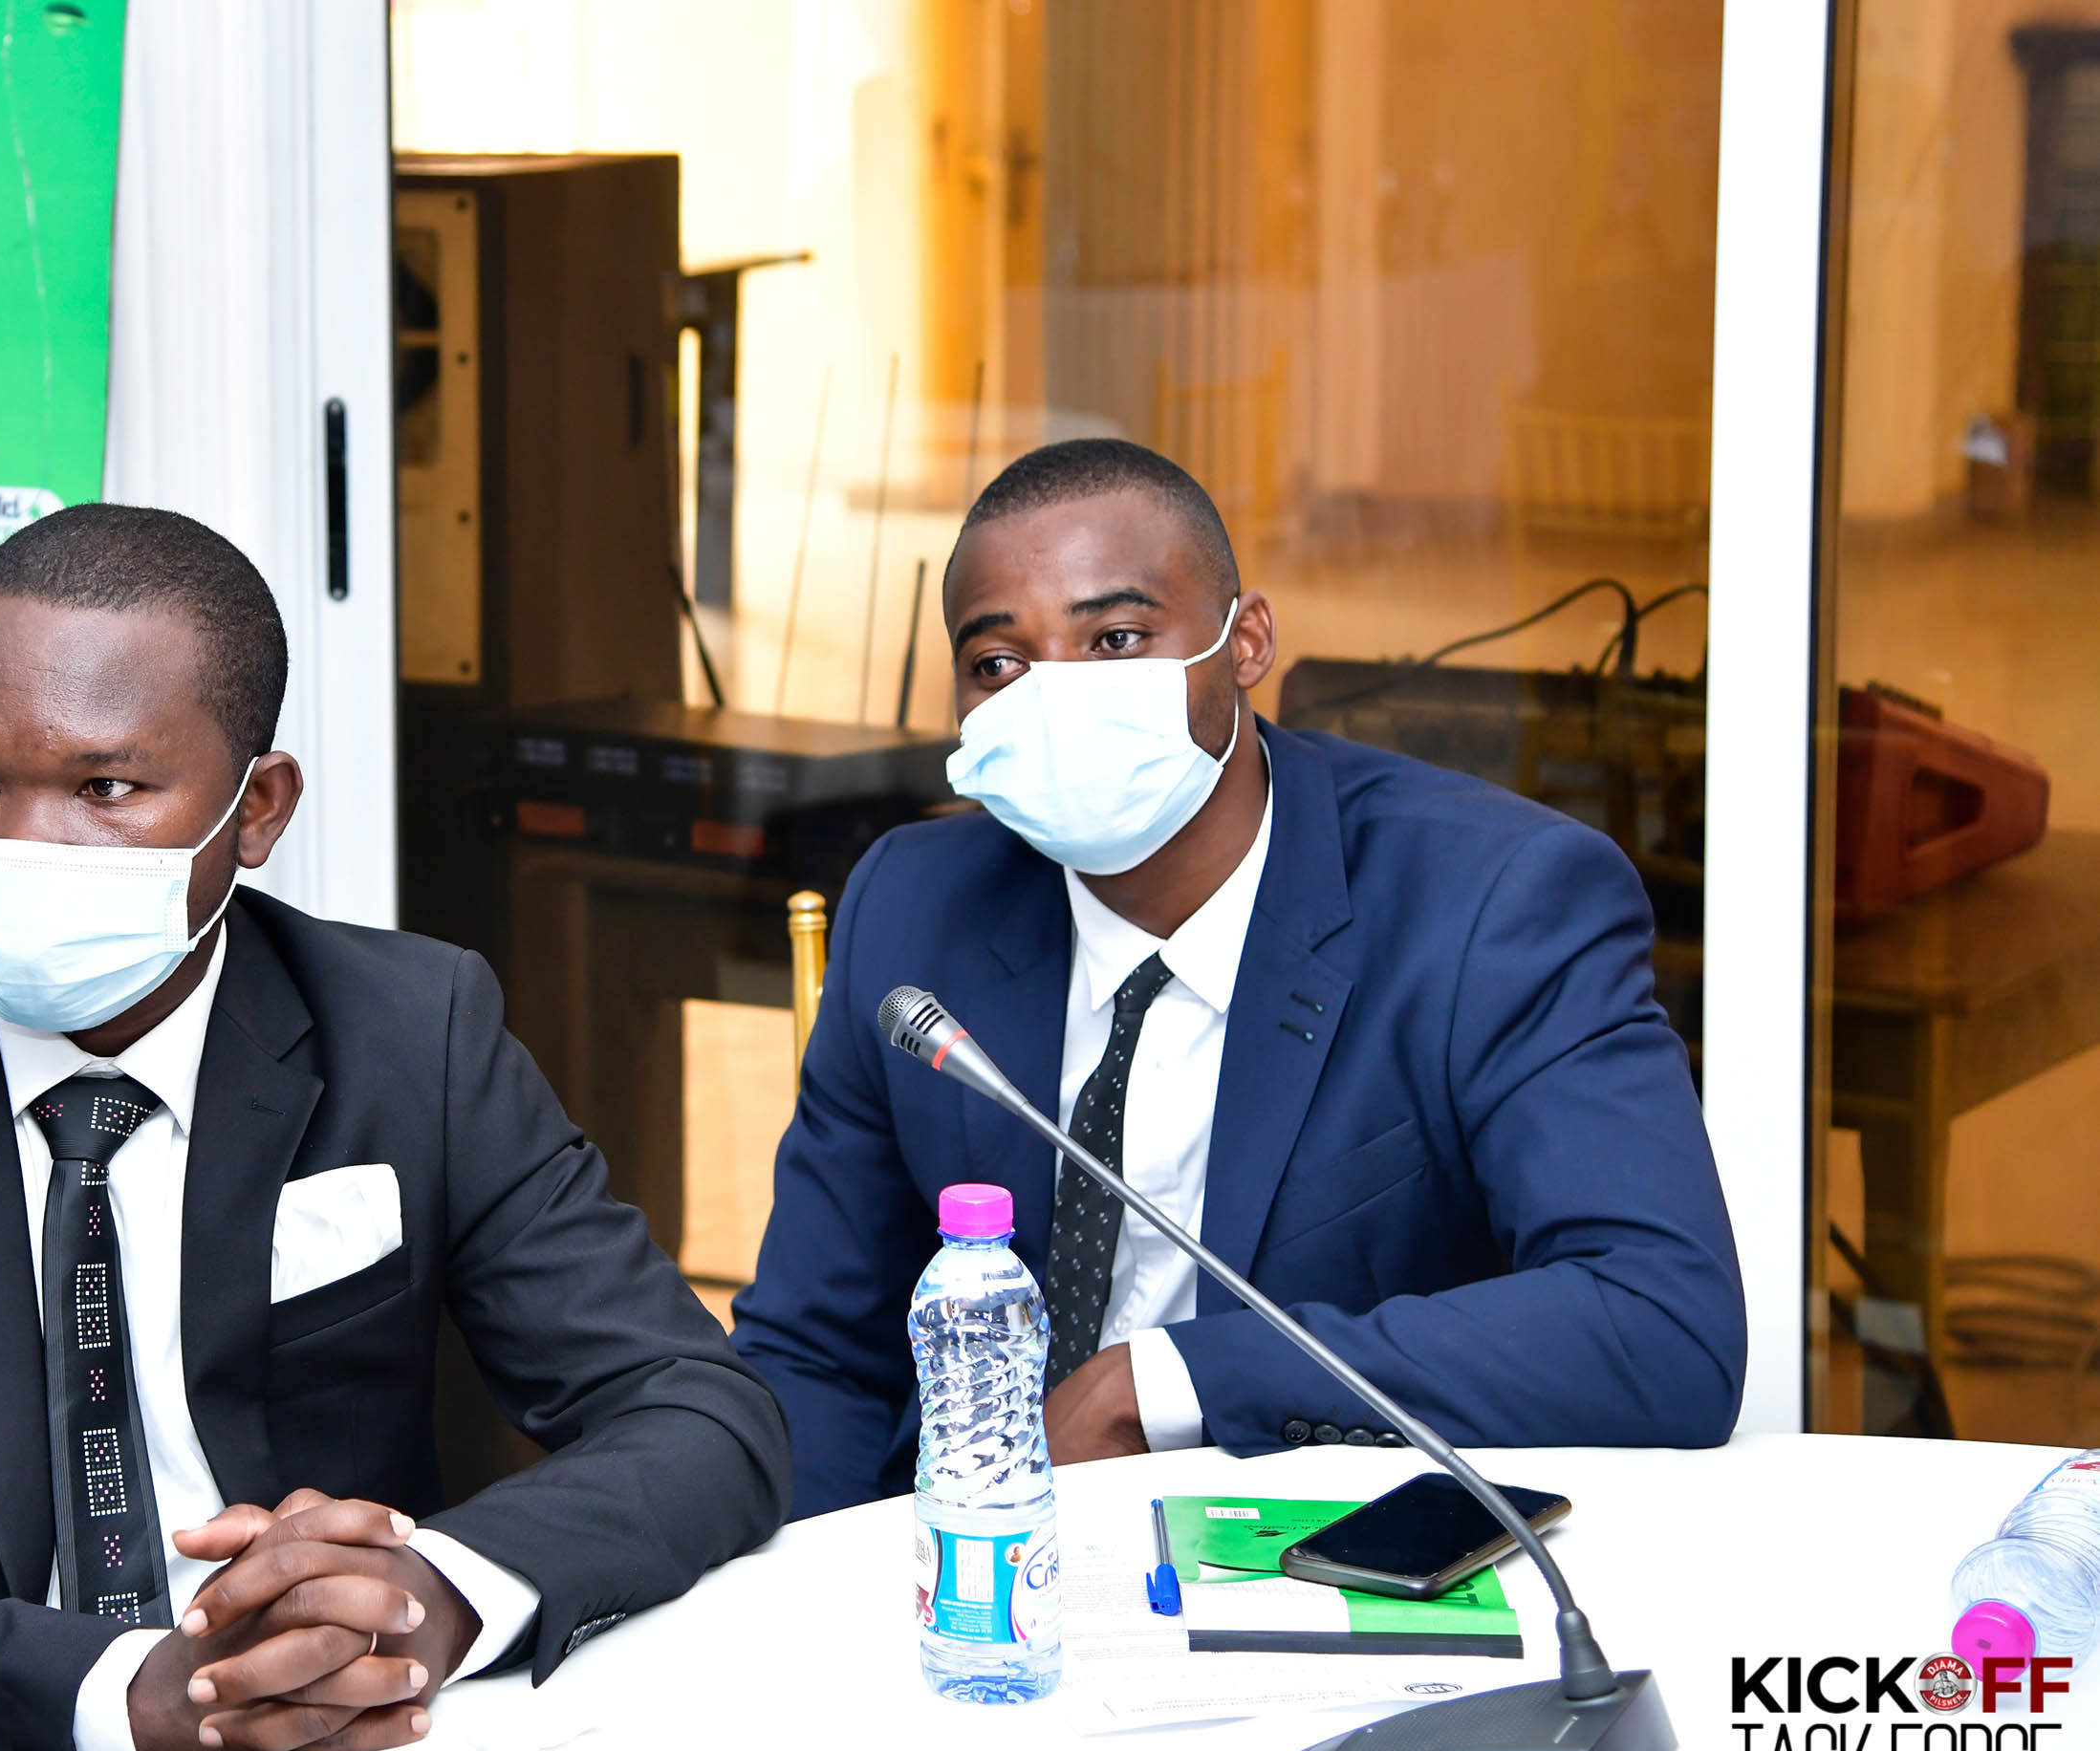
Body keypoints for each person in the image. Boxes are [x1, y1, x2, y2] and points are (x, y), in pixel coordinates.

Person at [0, 503, 789, 1751]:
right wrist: (141, 1706)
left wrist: (431, 1594)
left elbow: (695, 1411)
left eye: (105, 790)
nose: (23, 842)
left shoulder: (409, 1032)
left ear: (256, 810)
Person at [729, 439, 1745, 1519]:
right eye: (998, 663)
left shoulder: (1492, 902)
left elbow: (1660, 1323)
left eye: (1115, 639)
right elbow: (815, 1354)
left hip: (1315, 1560)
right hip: (969, 1559)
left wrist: (1167, 1385)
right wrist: (818, 1585)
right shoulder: (914, 905)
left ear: (1245, 640)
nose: (1053, 696)